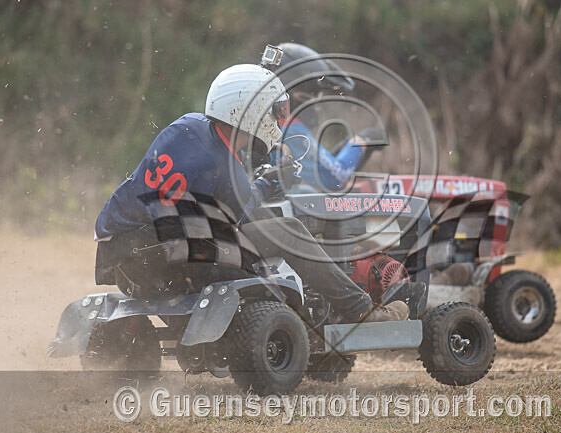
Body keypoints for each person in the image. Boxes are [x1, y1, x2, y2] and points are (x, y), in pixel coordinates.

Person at [93, 63, 407, 323]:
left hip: (122, 256)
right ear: (251, 110)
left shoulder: (187, 127)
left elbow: (205, 198)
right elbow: (241, 214)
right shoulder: (222, 163)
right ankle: (359, 309)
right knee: (289, 229)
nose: (279, 119)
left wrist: (252, 183)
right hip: (165, 262)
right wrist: (267, 184)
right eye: (275, 111)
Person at [263, 43, 385, 192]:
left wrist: (336, 153)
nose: (316, 100)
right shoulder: (288, 128)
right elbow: (334, 179)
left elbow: (314, 169)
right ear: (297, 90)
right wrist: (361, 142)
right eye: (315, 93)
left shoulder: (261, 118)